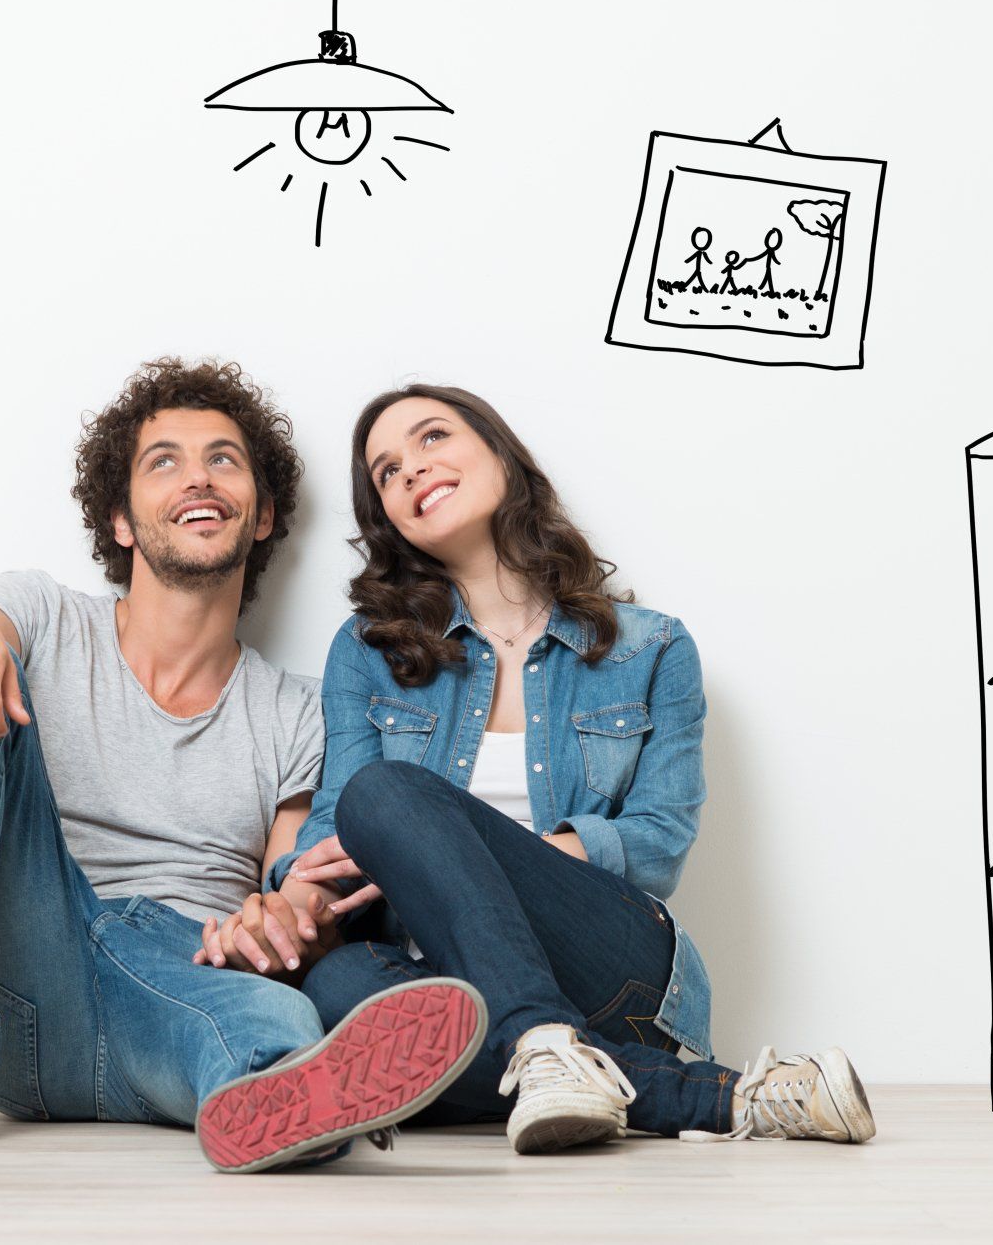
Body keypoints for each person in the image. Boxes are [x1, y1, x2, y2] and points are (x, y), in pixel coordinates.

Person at [0, 359, 486, 1173]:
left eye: (223, 458)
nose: (198, 478)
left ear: (261, 517)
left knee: (267, 1021)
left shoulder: (297, 709)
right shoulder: (48, 617)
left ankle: (282, 1092)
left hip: (182, 992)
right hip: (24, 973)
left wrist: (287, 918)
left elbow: (291, 879)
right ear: (120, 519)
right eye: (164, 461)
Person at [194, 383, 873, 1155]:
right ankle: (715, 1092)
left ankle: (547, 1033)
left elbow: (657, 841)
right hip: (440, 980)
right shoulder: (370, 652)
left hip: (613, 962)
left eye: (432, 438)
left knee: (391, 793)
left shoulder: (652, 648)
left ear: (502, 457)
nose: (410, 470)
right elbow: (337, 829)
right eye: (385, 471)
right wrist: (293, 888)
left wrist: (467, 854)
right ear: (387, 517)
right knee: (341, 988)